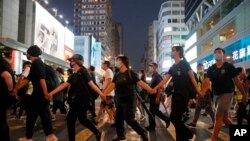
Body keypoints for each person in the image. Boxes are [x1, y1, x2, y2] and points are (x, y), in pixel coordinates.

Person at [48, 54, 105, 141]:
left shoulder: (83, 71)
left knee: (71, 119)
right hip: (77, 99)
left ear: (78, 61)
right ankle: (98, 133)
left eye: (72, 60)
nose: (71, 62)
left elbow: (91, 84)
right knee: (82, 119)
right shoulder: (74, 75)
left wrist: (101, 94)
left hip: (83, 99)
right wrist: (51, 93)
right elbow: (64, 85)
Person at [152, 46, 199, 141]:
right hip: (176, 95)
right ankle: (183, 137)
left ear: (178, 52)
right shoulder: (172, 67)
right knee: (175, 118)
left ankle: (189, 135)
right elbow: (165, 80)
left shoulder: (184, 64)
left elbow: (193, 78)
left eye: (173, 50)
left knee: (174, 118)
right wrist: (155, 88)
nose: (171, 52)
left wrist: (198, 92)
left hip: (184, 94)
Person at [200, 47, 247, 141]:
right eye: (216, 52)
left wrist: (244, 94)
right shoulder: (211, 69)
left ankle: (213, 139)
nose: (217, 53)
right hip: (216, 95)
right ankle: (240, 134)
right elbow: (206, 83)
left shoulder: (229, 66)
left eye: (219, 52)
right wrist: (201, 93)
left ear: (223, 55)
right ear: (214, 55)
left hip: (227, 93)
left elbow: (237, 81)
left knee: (218, 116)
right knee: (225, 118)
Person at [103, 55, 153, 141]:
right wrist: (104, 93)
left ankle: (142, 132)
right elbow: (112, 85)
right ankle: (121, 135)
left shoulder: (131, 73)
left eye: (118, 60)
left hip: (129, 100)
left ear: (123, 62)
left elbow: (141, 83)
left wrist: (151, 89)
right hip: (119, 99)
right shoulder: (117, 74)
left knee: (129, 119)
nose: (116, 62)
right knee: (118, 119)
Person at [15, 45, 57, 141]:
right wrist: (16, 89)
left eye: (27, 53)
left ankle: (30, 138)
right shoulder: (37, 63)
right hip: (39, 95)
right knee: (43, 114)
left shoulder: (37, 63)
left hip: (39, 94)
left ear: (30, 54)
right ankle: (49, 136)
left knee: (33, 115)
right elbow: (27, 79)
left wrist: (46, 93)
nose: (27, 55)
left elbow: (41, 78)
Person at [186, 63, 215, 129]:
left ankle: (215, 123)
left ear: (203, 68)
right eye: (198, 67)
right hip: (200, 95)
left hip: (206, 95)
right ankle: (194, 123)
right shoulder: (197, 76)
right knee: (198, 109)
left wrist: (204, 93)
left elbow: (208, 85)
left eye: (200, 67)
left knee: (209, 110)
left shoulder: (206, 75)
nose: (199, 68)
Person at [145, 62, 170, 131]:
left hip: (156, 97)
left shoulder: (157, 76)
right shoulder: (153, 76)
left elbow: (161, 87)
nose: (150, 68)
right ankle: (152, 126)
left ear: (155, 67)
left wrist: (158, 97)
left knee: (154, 111)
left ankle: (166, 119)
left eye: (151, 66)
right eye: (149, 66)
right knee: (152, 112)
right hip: (152, 97)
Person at [0, 54, 15, 141]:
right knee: (3, 120)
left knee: (2, 122)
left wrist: (10, 90)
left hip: (2, 98)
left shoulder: (1, 67)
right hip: (4, 98)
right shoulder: (6, 66)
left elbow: (8, 77)